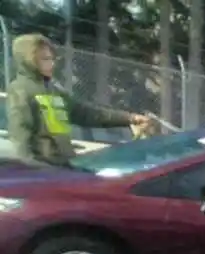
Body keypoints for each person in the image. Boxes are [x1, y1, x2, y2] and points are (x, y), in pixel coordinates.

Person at [7, 34, 158, 168]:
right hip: (45, 173)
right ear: (29, 61)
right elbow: (21, 138)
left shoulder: (54, 91)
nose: (52, 64)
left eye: (52, 59)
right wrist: (35, 171)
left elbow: (87, 114)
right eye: (45, 59)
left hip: (64, 166)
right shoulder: (21, 90)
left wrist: (130, 118)